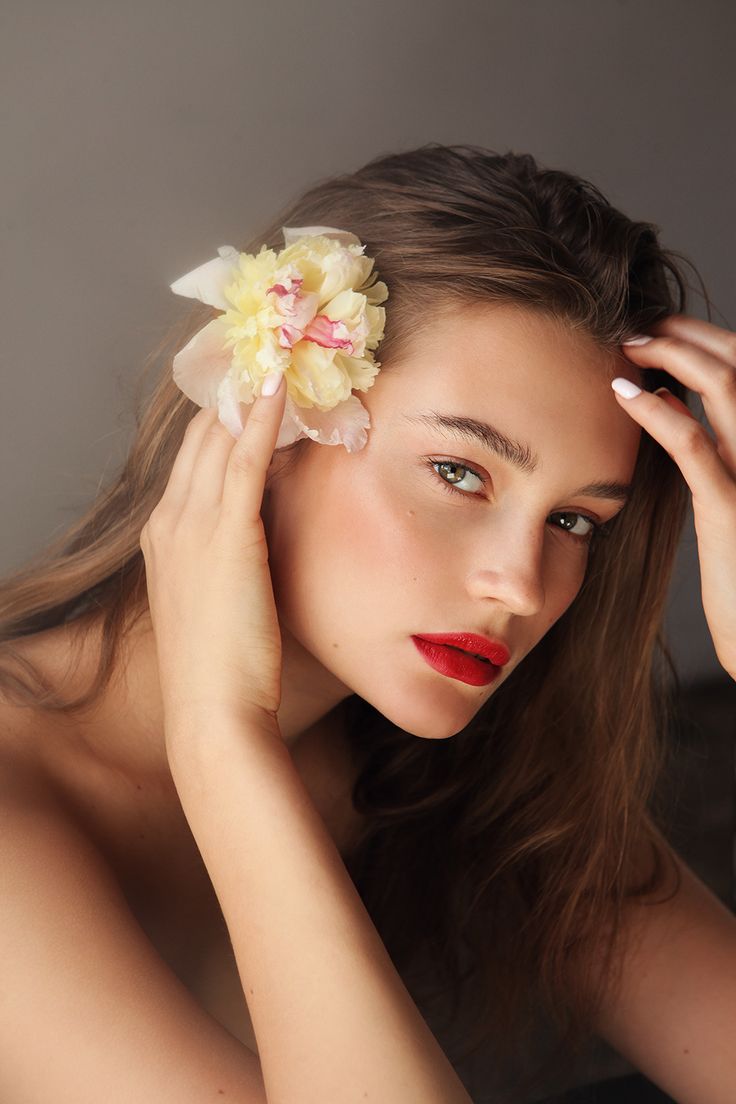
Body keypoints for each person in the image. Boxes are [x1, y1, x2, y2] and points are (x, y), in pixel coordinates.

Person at [0, 142, 734, 1104]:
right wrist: (220, 740)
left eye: (574, 522)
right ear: (266, 426)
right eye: (460, 472)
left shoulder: (432, 770)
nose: (520, 585)